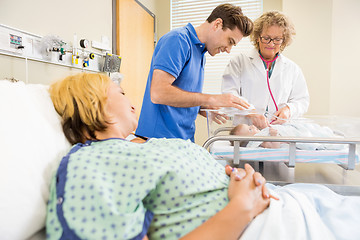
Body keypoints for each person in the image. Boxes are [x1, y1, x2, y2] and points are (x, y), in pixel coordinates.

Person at [46, 73, 360, 240]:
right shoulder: (90, 164)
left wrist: (241, 181)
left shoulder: (135, 147)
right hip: (267, 224)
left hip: (285, 204)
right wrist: (241, 206)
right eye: (120, 91)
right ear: (95, 103)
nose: (128, 98)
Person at [135, 3, 254, 142]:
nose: (228, 49)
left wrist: (203, 108)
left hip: (182, 141)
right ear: (217, 24)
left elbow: (180, 95)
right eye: (230, 41)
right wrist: (212, 98)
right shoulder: (178, 40)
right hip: (159, 140)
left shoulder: (200, 53)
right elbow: (158, 93)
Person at [222, 11, 310, 129]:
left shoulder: (292, 69)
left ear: (283, 40)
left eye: (277, 39)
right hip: (246, 131)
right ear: (258, 37)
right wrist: (251, 113)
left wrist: (288, 110)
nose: (271, 44)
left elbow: (302, 100)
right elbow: (229, 95)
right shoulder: (239, 62)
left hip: (278, 131)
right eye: (266, 38)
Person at [230, 122, 346, 150]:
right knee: (310, 136)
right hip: (293, 136)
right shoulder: (259, 141)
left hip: (290, 130)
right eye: (250, 129)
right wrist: (274, 135)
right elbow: (274, 146)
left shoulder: (261, 134)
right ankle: (329, 140)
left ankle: (325, 134)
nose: (253, 126)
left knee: (311, 129)